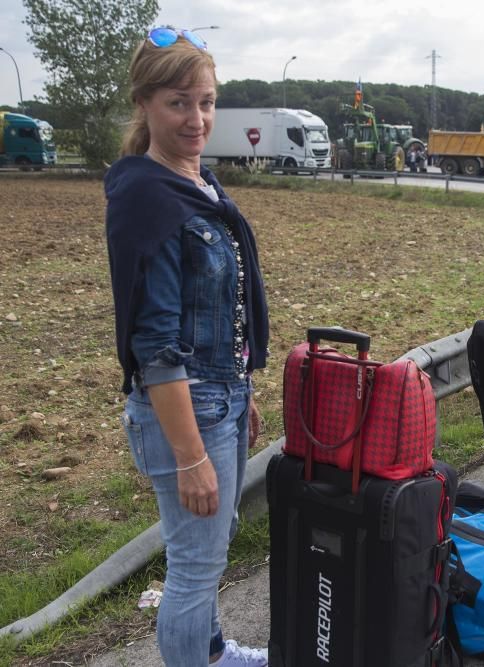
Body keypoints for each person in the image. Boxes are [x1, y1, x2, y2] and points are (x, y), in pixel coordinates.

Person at [105, 26, 270, 666]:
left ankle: (213, 651)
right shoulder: (146, 196)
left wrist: (241, 387)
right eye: (179, 102)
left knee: (211, 547)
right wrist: (191, 455)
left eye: (205, 101)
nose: (197, 118)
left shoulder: (198, 184)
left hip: (221, 398)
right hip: (187, 410)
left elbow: (219, 309)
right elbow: (155, 344)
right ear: (144, 104)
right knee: (194, 569)